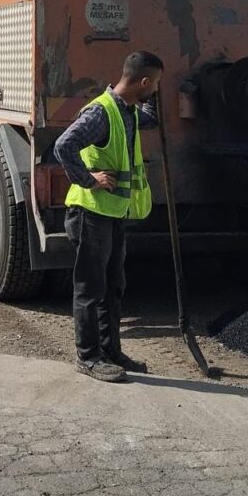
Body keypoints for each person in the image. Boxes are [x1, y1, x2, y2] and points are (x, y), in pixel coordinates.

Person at [53, 51, 163, 383]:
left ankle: (110, 351)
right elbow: (63, 146)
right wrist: (89, 179)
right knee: (90, 288)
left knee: (113, 285)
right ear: (143, 81)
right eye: (154, 83)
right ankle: (88, 357)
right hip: (90, 214)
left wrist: (157, 96)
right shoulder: (102, 113)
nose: (155, 88)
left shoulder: (126, 111)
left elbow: (149, 118)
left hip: (112, 214)